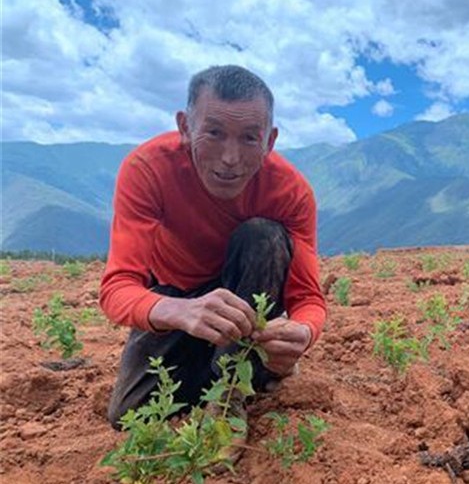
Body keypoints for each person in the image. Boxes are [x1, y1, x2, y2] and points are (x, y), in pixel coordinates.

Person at [100, 65, 326, 436]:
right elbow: (117, 288)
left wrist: (303, 332)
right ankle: (248, 368)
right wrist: (179, 311)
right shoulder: (147, 169)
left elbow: (308, 298)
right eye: (215, 133)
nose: (230, 158)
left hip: (248, 298)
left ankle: (229, 398)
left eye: (249, 138)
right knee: (131, 413)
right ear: (185, 127)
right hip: (177, 297)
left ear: (269, 141)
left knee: (263, 236)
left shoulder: (290, 191)